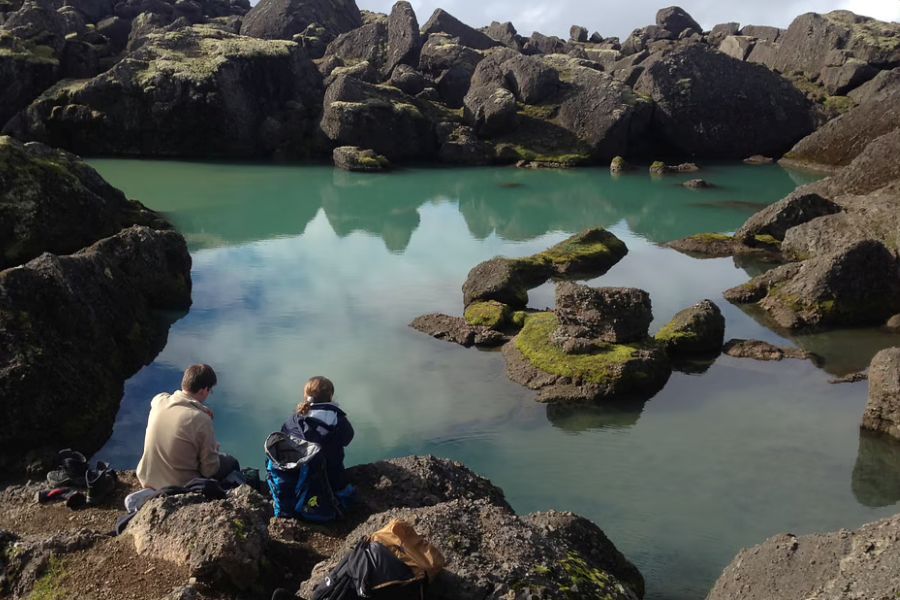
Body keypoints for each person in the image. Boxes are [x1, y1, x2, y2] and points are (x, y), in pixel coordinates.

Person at [136, 364, 240, 489]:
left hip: (146, 477)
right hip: (178, 485)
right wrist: (214, 449)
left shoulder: (159, 401)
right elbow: (209, 470)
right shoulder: (201, 420)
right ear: (203, 390)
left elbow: (168, 400)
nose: (209, 394)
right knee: (230, 462)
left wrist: (200, 408)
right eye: (210, 390)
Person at [281, 376, 354, 493]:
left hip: (298, 478)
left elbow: (284, 439)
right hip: (333, 478)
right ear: (330, 396)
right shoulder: (338, 419)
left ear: (306, 395)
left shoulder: (293, 420)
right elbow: (347, 439)